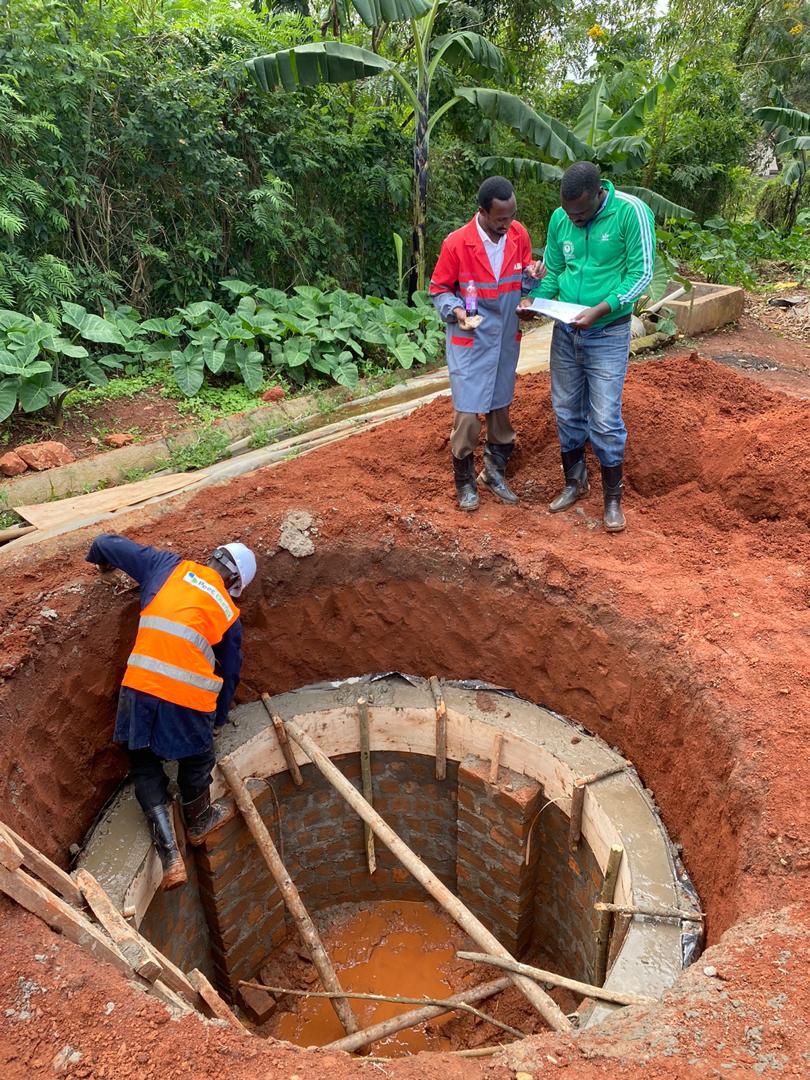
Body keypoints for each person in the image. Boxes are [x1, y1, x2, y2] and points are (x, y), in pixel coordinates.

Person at [86, 533, 257, 890]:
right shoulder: (228, 612)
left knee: (144, 764)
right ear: (234, 584)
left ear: (212, 557)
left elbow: (106, 543)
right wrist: (218, 719)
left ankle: (169, 855)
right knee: (197, 759)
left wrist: (102, 563)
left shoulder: (165, 567)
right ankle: (199, 820)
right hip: (186, 701)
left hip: (139, 688)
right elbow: (229, 673)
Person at [526, 161, 655, 532]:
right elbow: (553, 270)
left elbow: (642, 273)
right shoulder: (560, 218)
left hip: (607, 331)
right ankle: (574, 483)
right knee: (566, 410)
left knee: (604, 418)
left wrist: (601, 308)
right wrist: (533, 305)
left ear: (598, 194)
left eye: (580, 213)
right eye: (569, 213)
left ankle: (612, 500)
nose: (574, 220)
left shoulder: (630, 212)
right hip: (566, 331)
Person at [430, 176, 542, 511]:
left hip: (505, 337)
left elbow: (520, 282)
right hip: (471, 338)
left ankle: (493, 472)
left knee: (500, 408)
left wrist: (531, 283)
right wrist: (457, 310)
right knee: (467, 414)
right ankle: (464, 481)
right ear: (482, 212)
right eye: (500, 219)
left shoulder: (518, 234)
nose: (508, 225)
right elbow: (439, 290)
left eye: (511, 217)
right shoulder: (456, 244)